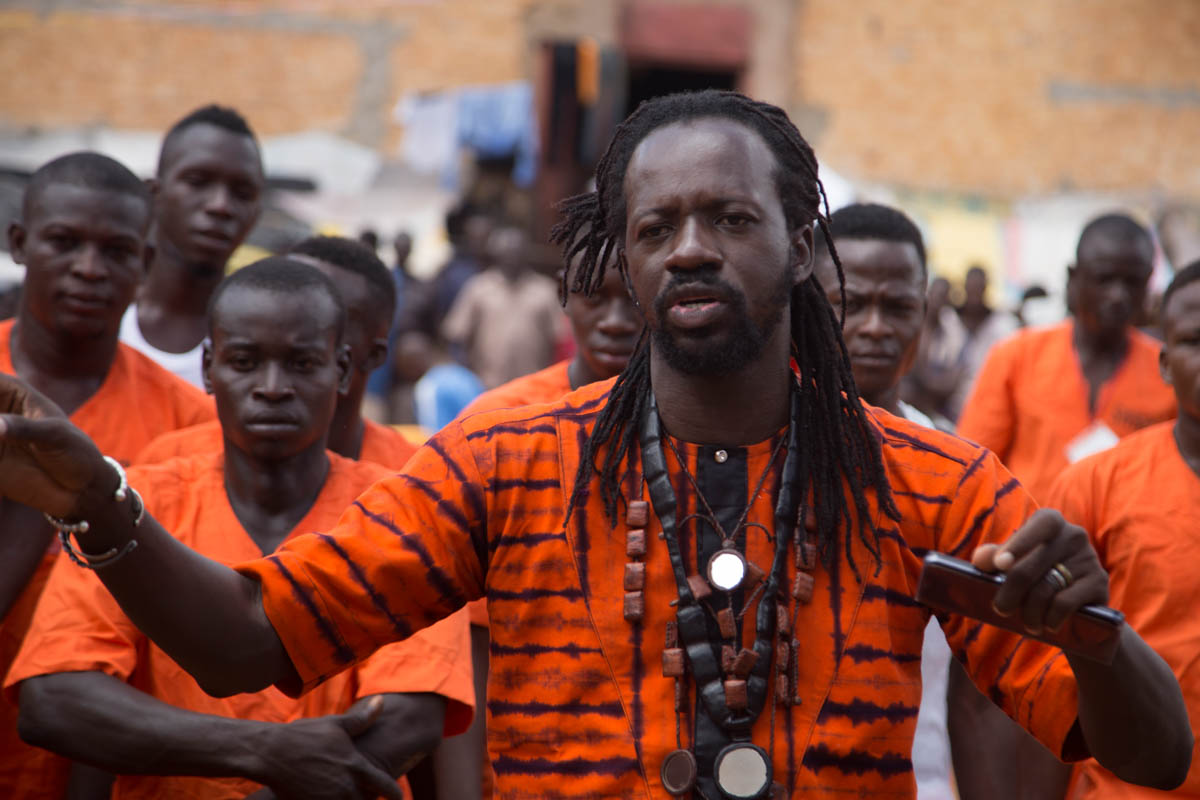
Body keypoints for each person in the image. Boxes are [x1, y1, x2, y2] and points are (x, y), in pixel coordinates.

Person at [0, 91, 1191, 800]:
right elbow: (245, 642)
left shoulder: (924, 475)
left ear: (797, 239)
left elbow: (1149, 750)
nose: (688, 248)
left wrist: (1094, 635)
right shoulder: (502, 453)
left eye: (729, 217)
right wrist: (103, 507)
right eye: (656, 223)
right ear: (617, 257)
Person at [6, 258, 473, 799]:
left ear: (343, 370)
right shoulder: (142, 501)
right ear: (209, 368)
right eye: (245, 362)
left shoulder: (400, 508)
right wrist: (265, 751)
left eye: (301, 364)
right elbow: (55, 697)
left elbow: (406, 719)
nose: (272, 388)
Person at [0, 151, 215, 798]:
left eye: (117, 250)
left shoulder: (189, 423)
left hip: (106, 768)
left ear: (145, 264)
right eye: (64, 243)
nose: (89, 270)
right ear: (19, 243)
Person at [448, 244, 642, 799]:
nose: (614, 321)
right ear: (564, 295)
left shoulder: (704, 426)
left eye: (633, 300)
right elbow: (469, 642)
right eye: (594, 297)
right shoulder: (495, 428)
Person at [812, 202, 961, 797]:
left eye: (898, 307)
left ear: (924, 315)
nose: (874, 327)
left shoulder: (955, 471)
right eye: (849, 303)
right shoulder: (751, 452)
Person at [136, 236, 418, 468]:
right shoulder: (173, 461)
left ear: (372, 354)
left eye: (321, 315)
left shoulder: (415, 477)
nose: (290, 323)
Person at [957, 213, 1176, 503]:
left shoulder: (1168, 372)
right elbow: (970, 469)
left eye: (1133, 282)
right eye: (1104, 279)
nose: (1118, 295)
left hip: (1124, 544)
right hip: (1022, 541)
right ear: (1074, 277)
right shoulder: (1015, 357)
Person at [119, 105, 264, 387]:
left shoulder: (264, 349)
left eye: (242, 192)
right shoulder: (97, 321)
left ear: (257, 211)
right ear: (154, 193)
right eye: (198, 182)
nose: (220, 205)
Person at [442, 224, 562, 389]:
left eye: (517, 251)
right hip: (488, 386)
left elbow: (561, 339)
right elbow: (457, 335)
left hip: (534, 388)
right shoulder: (479, 288)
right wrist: (468, 378)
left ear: (526, 253)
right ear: (496, 253)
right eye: (507, 250)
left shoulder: (545, 290)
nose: (512, 256)